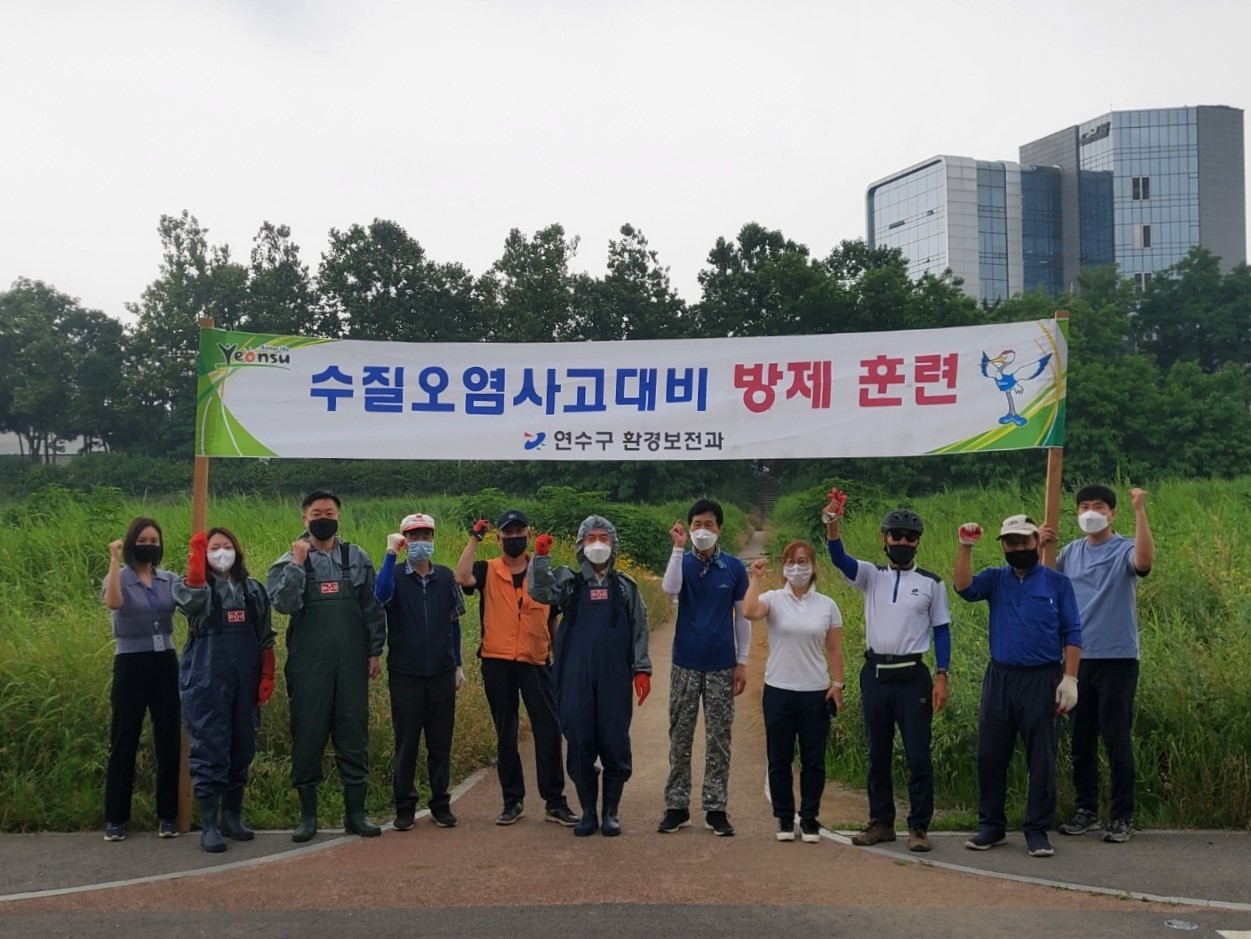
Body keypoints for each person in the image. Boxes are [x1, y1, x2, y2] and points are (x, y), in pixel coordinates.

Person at [823, 489, 952, 853]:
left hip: (914, 678)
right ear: (884, 538)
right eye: (895, 535)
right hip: (875, 675)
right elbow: (839, 559)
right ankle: (881, 822)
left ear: (918, 542)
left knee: (918, 754)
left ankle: (919, 827)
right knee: (877, 753)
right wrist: (833, 524)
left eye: (910, 537)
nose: (902, 542)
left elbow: (941, 629)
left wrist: (942, 675)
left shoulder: (931, 582)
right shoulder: (871, 575)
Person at [954, 514, 1082, 858]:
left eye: (1023, 541)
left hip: (1043, 679)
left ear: (1037, 541)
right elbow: (963, 588)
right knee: (990, 754)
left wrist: (1070, 678)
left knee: (1041, 756)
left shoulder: (1057, 583)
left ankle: (1037, 829)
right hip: (1000, 678)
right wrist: (965, 547)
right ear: (1004, 547)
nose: (1017, 548)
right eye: (1010, 543)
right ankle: (991, 826)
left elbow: (1072, 633)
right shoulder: (996, 579)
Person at [267, 490, 386, 842]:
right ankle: (308, 817)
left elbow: (372, 607)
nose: (324, 517)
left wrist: (375, 651)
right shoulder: (287, 560)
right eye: (316, 513)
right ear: (304, 519)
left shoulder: (356, 557)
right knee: (308, 735)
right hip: (309, 666)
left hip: (351, 663)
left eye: (329, 512)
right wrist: (296, 566)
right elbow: (284, 605)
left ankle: (356, 814)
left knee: (353, 733)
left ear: (338, 517)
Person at [528, 516, 652, 836]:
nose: (597, 543)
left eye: (604, 538)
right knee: (580, 741)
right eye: (590, 538)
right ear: (581, 545)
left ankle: (610, 813)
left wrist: (642, 669)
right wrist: (540, 558)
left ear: (613, 544)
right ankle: (587, 813)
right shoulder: (568, 582)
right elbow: (540, 592)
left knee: (614, 741)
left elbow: (640, 628)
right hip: (574, 676)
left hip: (614, 677)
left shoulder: (626, 587)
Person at [454, 509, 577, 827]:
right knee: (506, 732)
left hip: (536, 662)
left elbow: (553, 619)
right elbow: (461, 577)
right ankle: (512, 801)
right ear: (499, 537)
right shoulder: (487, 569)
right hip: (497, 661)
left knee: (548, 731)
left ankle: (555, 802)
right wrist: (473, 538)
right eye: (507, 532)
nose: (514, 537)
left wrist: (560, 661)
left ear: (528, 533)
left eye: (519, 531)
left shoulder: (542, 572)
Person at [1046, 486, 1154, 844]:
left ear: (1112, 513)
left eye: (1098, 506)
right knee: (1081, 739)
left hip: (1118, 658)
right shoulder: (1070, 553)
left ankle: (1122, 816)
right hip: (1078, 659)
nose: (1090, 512)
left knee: (1116, 737)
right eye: (1084, 506)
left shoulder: (1123, 548)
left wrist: (1140, 512)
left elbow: (1143, 563)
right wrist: (1043, 545)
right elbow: (1046, 584)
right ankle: (1087, 810)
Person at [173, 527, 277, 853]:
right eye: (214, 547)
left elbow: (265, 635)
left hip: (245, 677)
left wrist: (267, 673)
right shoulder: (195, 586)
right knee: (210, 745)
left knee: (242, 743)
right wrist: (195, 563)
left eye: (226, 546)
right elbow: (190, 602)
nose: (221, 552)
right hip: (207, 678)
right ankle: (210, 825)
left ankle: (233, 816)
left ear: (237, 550)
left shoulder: (252, 590)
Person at [741, 540, 844, 844]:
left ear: (813, 566)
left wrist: (837, 684)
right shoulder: (773, 599)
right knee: (779, 757)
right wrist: (755, 577)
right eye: (790, 561)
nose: (796, 567)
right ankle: (785, 818)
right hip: (779, 690)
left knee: (813, 760)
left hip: (815, 691)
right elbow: (748, 611)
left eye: (802, 561)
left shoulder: (827, 605)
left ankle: (810, 818)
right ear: (783, 566)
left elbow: (835, 648)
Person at [658, 498, 750, 837]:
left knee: (719, 739)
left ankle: (716, 807)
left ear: (720, 529)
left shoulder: (734, 568)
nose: (702, 530)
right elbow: (669, 589)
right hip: (685, 663)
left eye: (709, 524)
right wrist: (677, 548)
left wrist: (742, 663)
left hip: (721, 665)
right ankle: (677, 806)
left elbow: (743, 620)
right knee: (679, 737)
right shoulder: (680, 562)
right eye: (697, 524)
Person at [374, 513, 466, 831]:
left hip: (441, 673)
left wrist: (458, 664)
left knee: (440, 742)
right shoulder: (396, 575)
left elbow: (455, 623)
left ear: (433, 539)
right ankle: (404, 806)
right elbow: (381, 595)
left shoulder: (445, 577)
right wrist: (389, 554)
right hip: (405, 674)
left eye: (426, 536)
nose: (420, 543)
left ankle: (440, 803)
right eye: (413, 537)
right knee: (407, 742)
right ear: (404, 540)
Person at [101, 517, 181, 842]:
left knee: (168, 740)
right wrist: (116, 557)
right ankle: (116, 819)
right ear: (133, 542)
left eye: (154, 540)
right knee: (124, 740)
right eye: (143, 540)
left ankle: (168, 816)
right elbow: (114, 603)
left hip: (165, 662)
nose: (150, 545)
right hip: (131, 663)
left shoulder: (168, 579)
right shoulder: (118, 577)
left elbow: (193, 601)